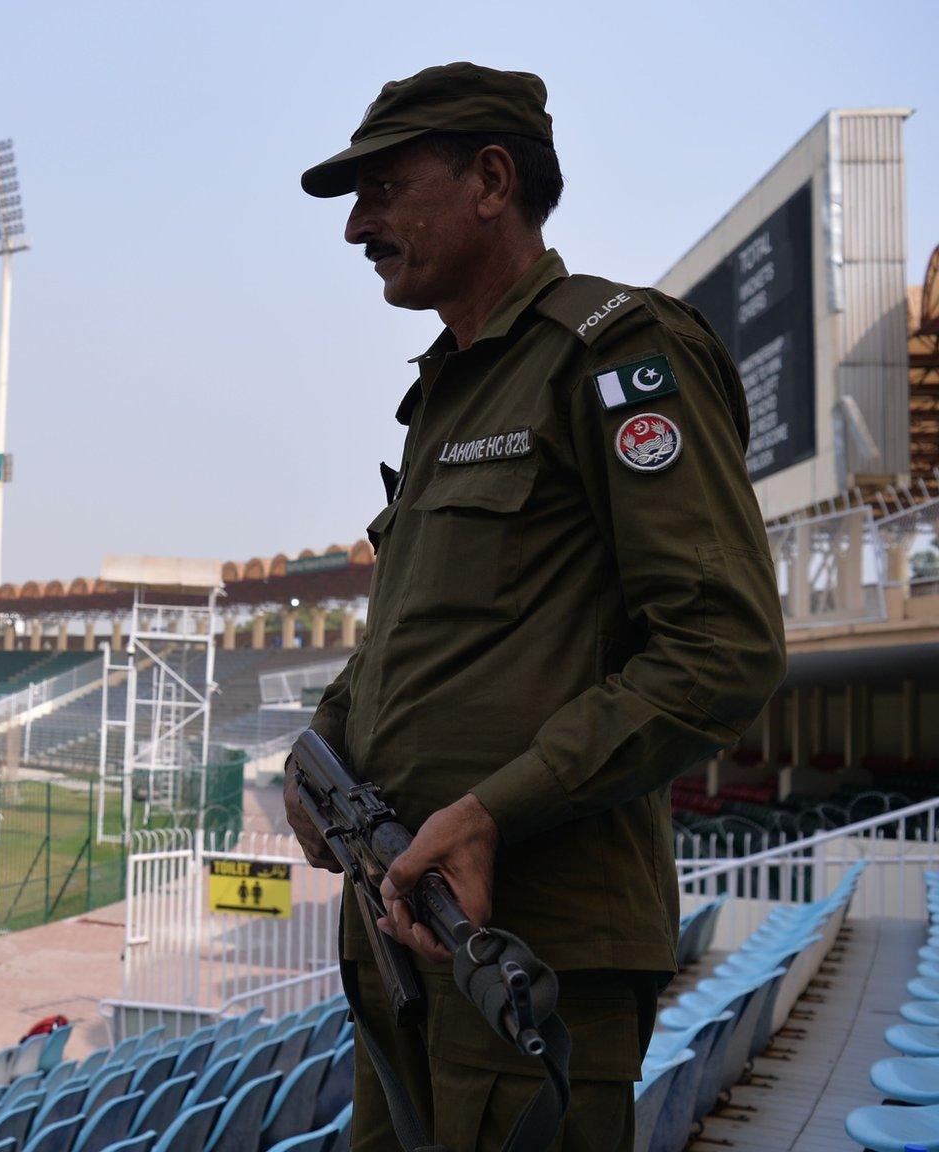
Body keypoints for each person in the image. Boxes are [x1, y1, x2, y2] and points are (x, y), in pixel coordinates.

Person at [285, 63, 784, 1152]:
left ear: (490, 179)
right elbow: (418, 640)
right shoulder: (445, 393)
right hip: (400, 946)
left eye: (380, 189)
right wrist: (321, 742)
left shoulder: (614, 354)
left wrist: (491, 810)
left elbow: (718, 646)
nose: (355, 227)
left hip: (529, 956)